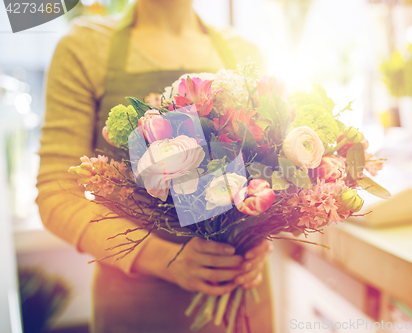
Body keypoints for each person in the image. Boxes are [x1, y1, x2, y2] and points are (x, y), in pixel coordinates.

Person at [36, 0, 274, 332]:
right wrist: (161, 258)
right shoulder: (85, 47)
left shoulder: (243, 52)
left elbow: (266, 171)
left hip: (244, 306)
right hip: (138, 309)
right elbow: (56, 192)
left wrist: (259, 235)